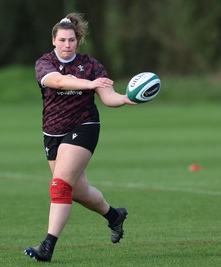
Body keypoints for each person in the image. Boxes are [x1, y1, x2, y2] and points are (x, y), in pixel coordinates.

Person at [24, 13, 137, 262]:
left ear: (78, 40)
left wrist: (127, 98)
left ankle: (47, 247)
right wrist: (89, 84)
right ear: (53, 41)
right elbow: (58, 82)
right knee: (77, 190)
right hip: (53, 132)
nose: (67, 45)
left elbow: (109, 98)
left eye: (72, 40)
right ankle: (114, 216)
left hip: (85, 125)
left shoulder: (92, 65)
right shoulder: (44, 63)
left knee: (60, 186)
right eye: (62, 40)